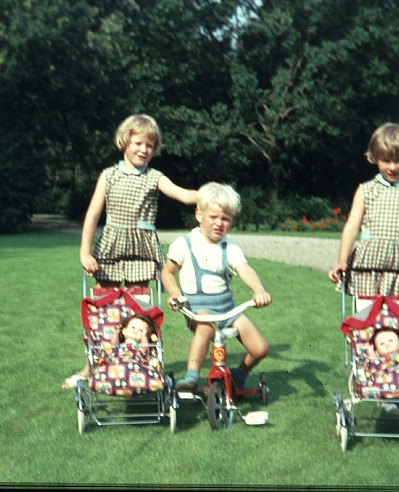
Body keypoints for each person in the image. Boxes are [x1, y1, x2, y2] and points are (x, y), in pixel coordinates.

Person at [63, 114, 197, 389]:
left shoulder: (154, 177)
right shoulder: (109, 175)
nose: (143, 149)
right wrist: (85, 252)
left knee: (140, 309)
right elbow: (92, 215)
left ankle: (143, 363)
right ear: (125, 143)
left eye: (149, 145)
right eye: (138, 143)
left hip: (142, 250)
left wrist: (210, 194)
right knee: (104, 310)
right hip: (111, 246)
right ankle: (92, 366)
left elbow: (183, 195)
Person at [161, 182, 272, 392]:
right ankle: (192, 377)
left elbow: (245, 269)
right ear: (199, 215)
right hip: (197, 308)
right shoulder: (184, 244)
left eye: (225, 219)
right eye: (213, 217)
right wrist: (175, 294)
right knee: (204, 328)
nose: (219, 223)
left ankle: (238, 376)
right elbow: (167, 272)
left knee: (260, 348)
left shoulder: (229, 248)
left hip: (227, 308)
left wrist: (258, 290)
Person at [328, 122, 399, 297]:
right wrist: (342, 261)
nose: (392, 167)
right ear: (375, 158)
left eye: (398, 160)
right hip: (368, 262)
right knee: (366, 317)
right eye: (386, 161)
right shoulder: (365, 190)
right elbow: (352, 227)